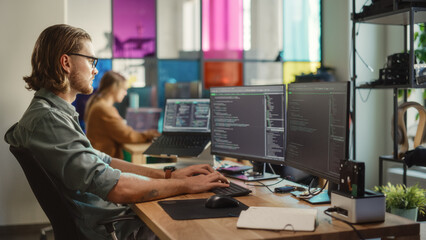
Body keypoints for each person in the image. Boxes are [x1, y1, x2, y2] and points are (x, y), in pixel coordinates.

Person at [4, 24, 229, 240]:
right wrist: (186, 185)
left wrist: (170, 175)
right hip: (113, 228)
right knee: (209, 225)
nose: (95, 69)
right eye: (91, 60)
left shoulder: (55, 114)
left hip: (112, 218)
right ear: (66, 62)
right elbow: (117, 188)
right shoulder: (48, 119)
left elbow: (105, 160)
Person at [84, 70, 159, 159]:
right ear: (113, 88)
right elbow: (128, 136)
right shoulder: (104, 109)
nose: (125, 93)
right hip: (105, 163)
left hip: (99, 159)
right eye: (124, 89)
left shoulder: (97, 103)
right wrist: (149, 134)